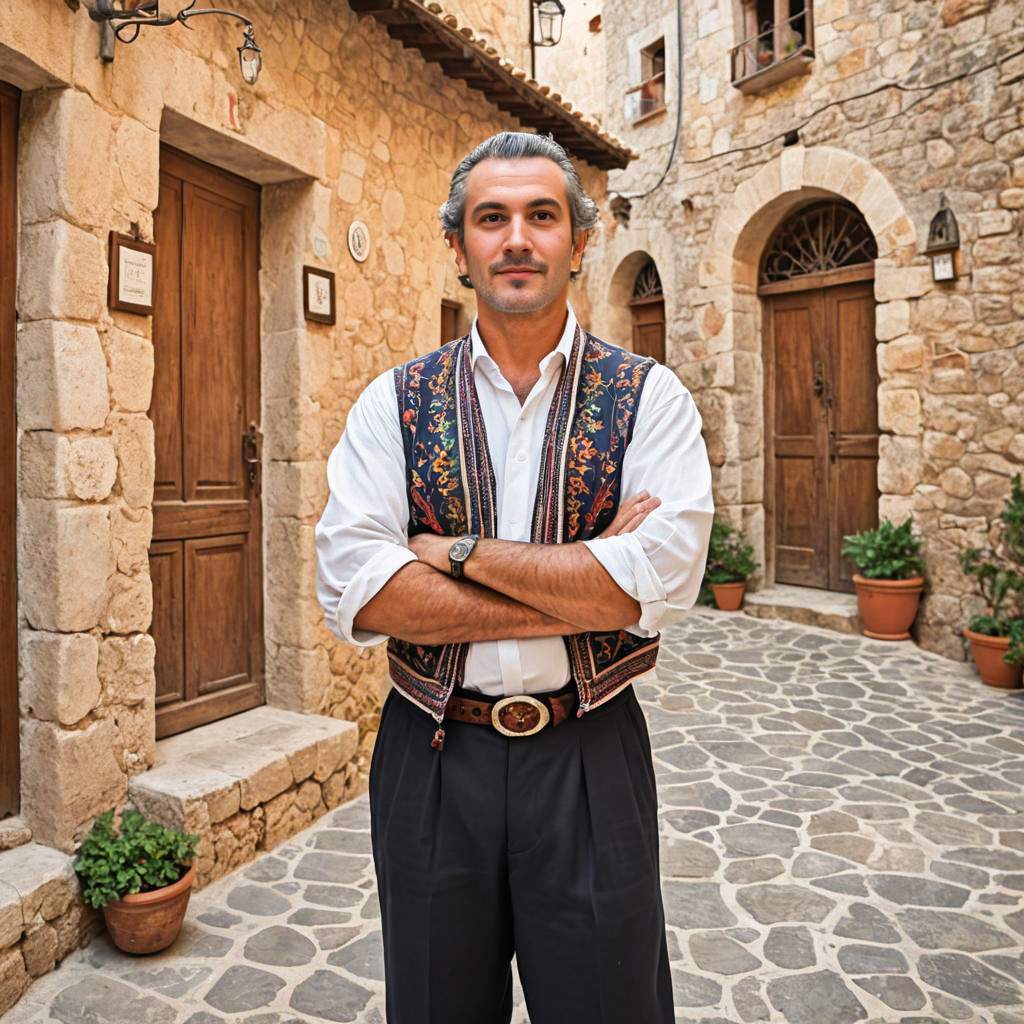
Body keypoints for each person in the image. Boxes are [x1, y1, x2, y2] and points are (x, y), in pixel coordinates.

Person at [315, 130, 714, 1024]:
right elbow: (360, 588)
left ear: (580, 239)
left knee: (610, 1005)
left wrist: (450, 552)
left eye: (542, 215)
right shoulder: (395, 401)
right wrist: (583, 575)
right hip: (431, 756)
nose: (518, 238)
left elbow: (653, 580)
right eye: (491, 219)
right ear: (459, 247)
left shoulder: (650, 397)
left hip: (591, 752)